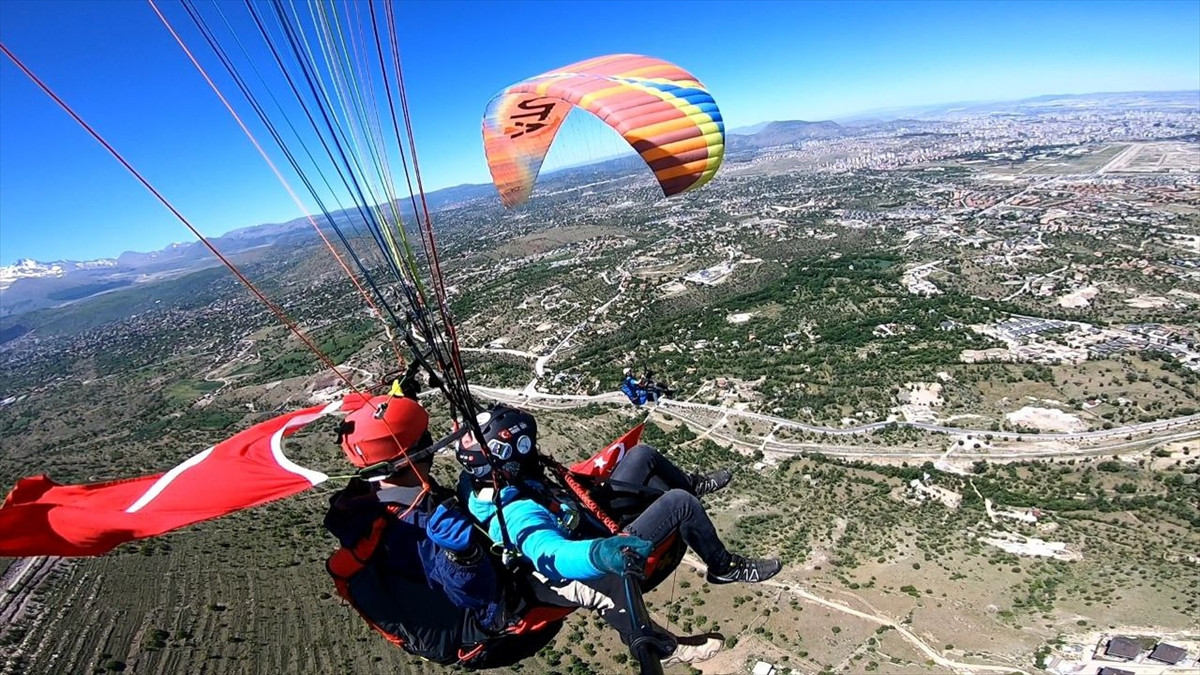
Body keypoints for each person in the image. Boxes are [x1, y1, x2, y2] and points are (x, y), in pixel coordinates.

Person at [455, 405, 782, 666]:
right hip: (591, 544)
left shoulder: (483, 481)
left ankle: (688, 482)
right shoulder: (516, 514)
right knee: (680, 504)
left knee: (642, 456)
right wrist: (601, 553)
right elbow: (550, 554)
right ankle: (722, 567)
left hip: (583, 518)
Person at [324, 391, 532, 665]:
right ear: (417, 452)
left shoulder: (366, 493)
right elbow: (477, 597)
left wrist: (400, 405)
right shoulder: (417, 531)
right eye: (425, 436)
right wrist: (464, 557)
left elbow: (380, 439)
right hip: (484, 639)